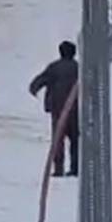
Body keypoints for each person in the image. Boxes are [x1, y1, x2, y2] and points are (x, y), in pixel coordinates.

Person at [30, 41, 80, 177]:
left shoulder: (54, 67)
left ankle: (59, 169)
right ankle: (75, 167)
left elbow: (41, 80)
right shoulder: (79, 68)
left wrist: (34, 88)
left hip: (58, 108)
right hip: (76, 109)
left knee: (58, 139)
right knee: (75, 140)